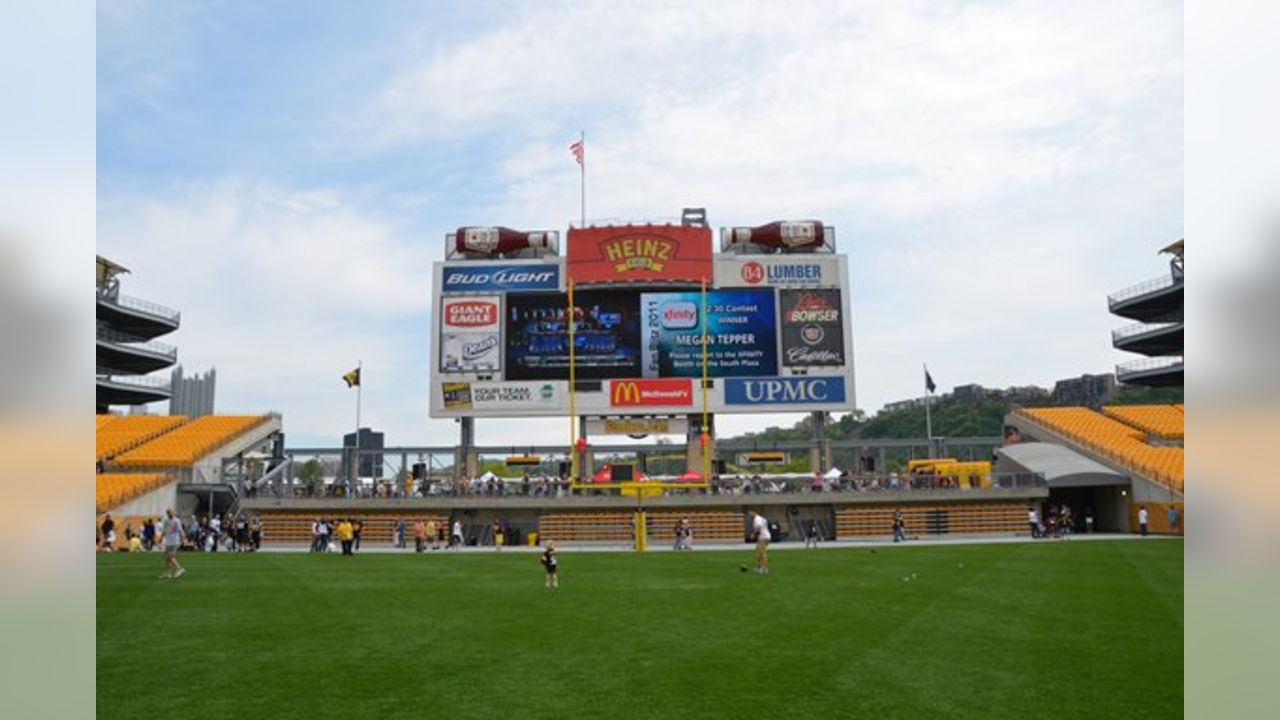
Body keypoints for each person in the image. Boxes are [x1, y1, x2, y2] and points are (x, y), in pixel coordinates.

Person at [159, 509, 186, 579]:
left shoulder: (176, 521)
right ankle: (168, 573)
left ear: (173, 513)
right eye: (169, 513)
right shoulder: (165, 521)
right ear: (167, 514)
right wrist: (161, 538)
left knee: (171, 557)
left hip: (175, 541)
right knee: (166, 558)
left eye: (171, 513)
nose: (170, 514)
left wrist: (183, 538)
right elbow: (164, 531)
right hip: (168, 542)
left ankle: (179, 568)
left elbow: (180, 530)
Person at [749, 510, 770, 575]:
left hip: (763, 537)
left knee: (762, 553)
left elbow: (759, 526)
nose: (750, 516)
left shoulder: (757, 519)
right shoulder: (761, 518)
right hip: (765, 536)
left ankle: (763, 568)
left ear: (754, 513)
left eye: (751, 514)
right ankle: (759, 567)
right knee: (759, 552)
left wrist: (753, 534)